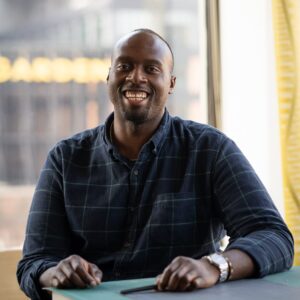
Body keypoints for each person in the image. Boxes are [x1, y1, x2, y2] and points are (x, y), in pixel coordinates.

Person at [17, 28, 294, 300]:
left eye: (151, 69)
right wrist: (56, 271)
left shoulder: (210, 149)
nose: (136, 77)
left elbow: (274, 237)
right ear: (109, 77)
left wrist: (213, 266)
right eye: (124, 66)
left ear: (171, 84)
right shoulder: (65, 158)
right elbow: (34, 263)